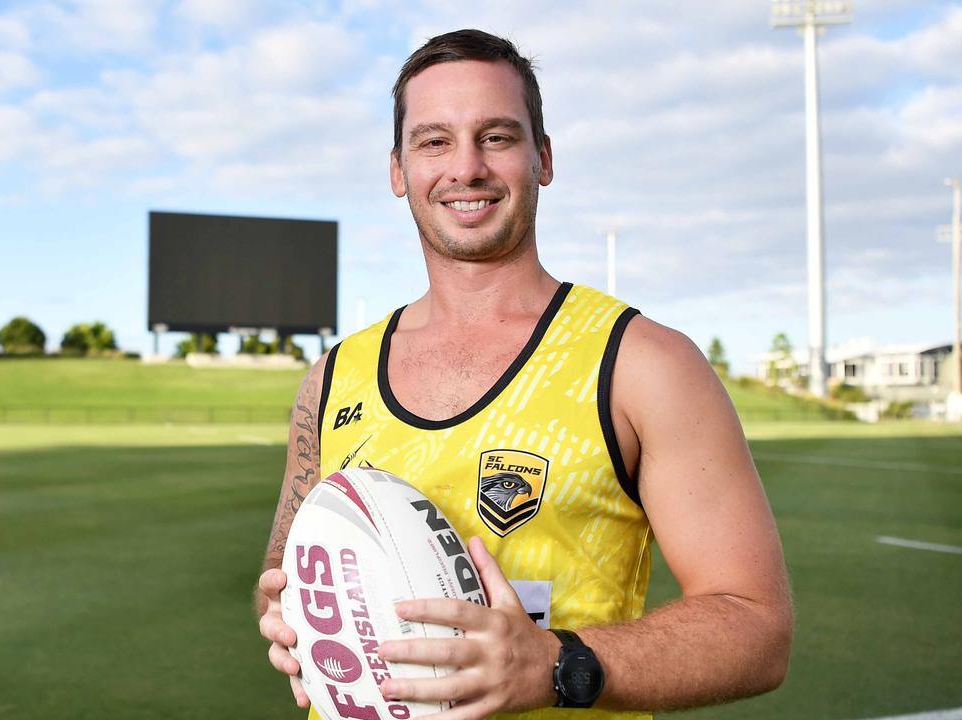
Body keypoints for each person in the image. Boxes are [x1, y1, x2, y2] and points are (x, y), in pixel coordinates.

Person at [255, 28, 792, 720]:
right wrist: (287, 610)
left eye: (498, 137)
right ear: (398, 171)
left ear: (542, 158)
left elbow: (757, 627)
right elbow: (282, 566)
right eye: (434, 141)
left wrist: (558, 665)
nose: (467, 168)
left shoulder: (640, 364)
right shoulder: (332, 378)